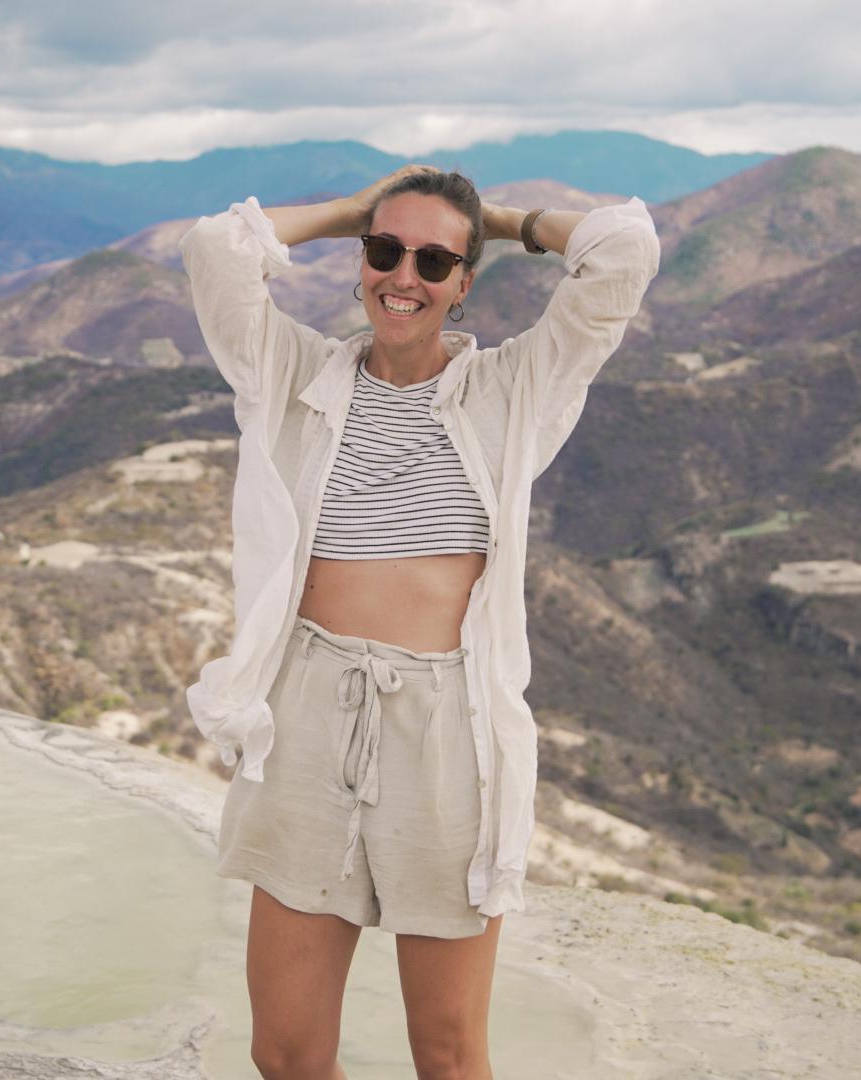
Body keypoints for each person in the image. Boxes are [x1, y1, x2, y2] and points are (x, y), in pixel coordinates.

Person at [180, 163, 659, 1079]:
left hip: (444, 728)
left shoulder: (511, 391)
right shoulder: (295, 375)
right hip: (309, 718)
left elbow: (624, 252)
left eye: (435, 262)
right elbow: (217, 250)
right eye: (386, 251)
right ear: (362, 261)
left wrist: (501, 221)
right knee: (283, 1051)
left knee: (445, 1053)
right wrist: (351, 213)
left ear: (465, 282)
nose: (406, 277)